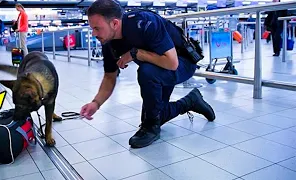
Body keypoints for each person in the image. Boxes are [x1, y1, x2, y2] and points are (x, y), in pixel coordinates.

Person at [80, 0, 215, 148]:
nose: (94, 34)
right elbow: (109, 76)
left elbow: (172, 63)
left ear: (115, 24)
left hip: (182, 62)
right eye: (92, 28)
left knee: (147, 73)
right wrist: (96, 103)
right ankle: (190, 101)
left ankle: (151, 128)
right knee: (156, 114)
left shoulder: (144, 23)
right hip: (158, 67)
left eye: (97, 28)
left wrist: (136, 53)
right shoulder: (109, 42)